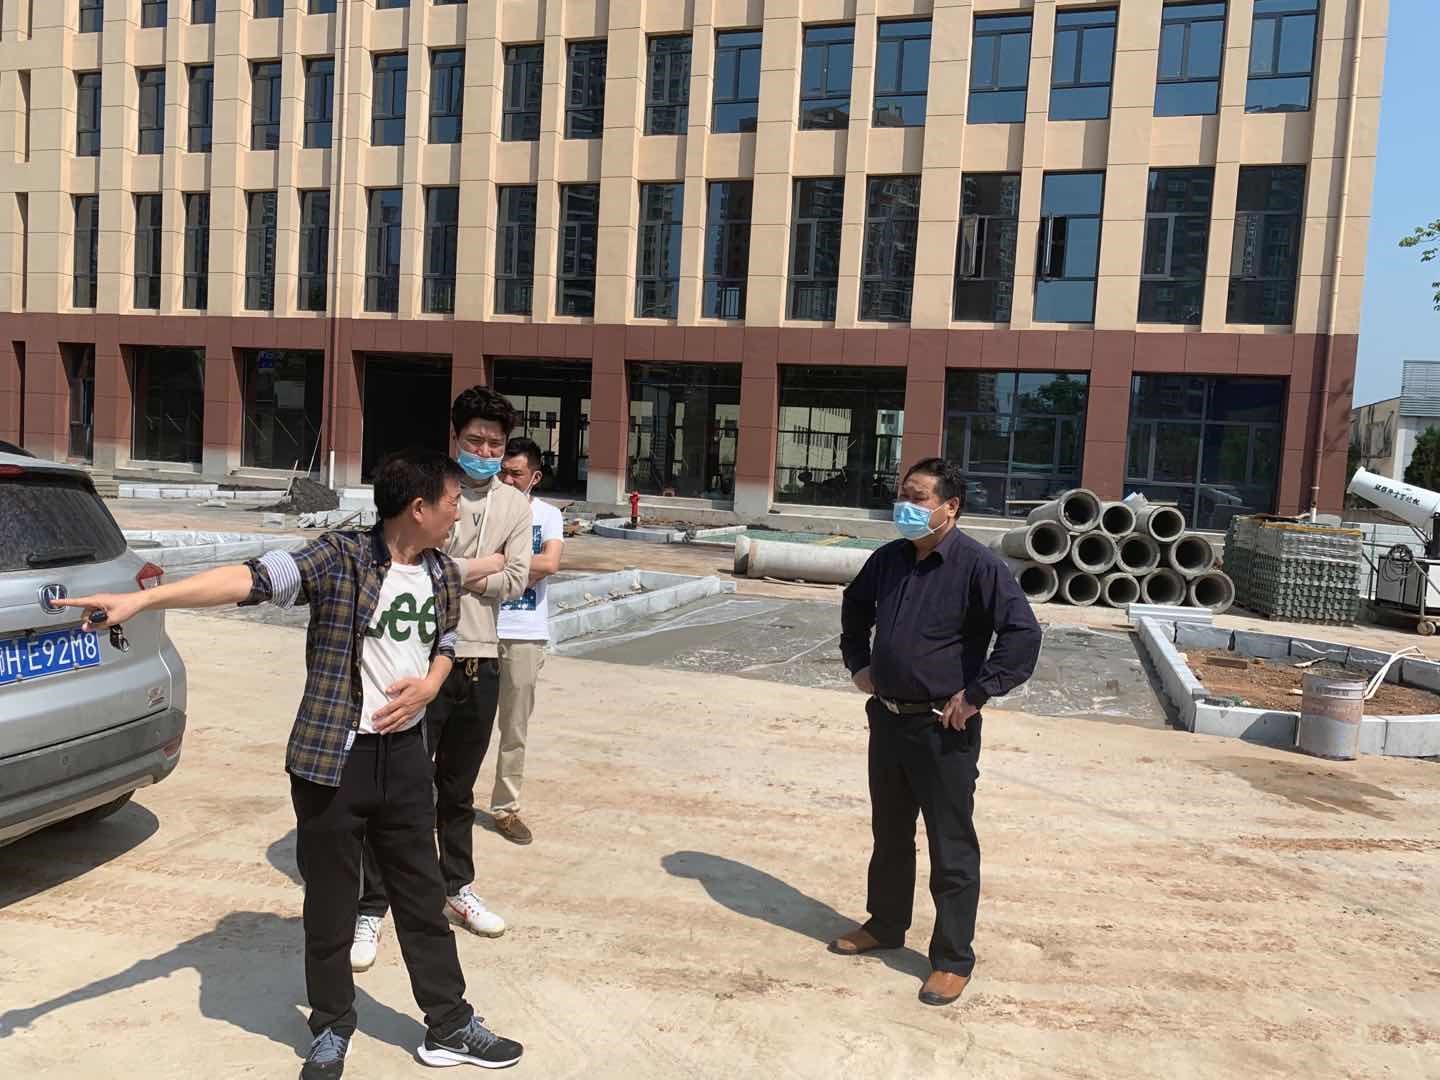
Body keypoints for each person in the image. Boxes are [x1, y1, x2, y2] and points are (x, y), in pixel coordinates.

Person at [58, 449, 524, 1077]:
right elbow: (249, 579)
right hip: (333, 761)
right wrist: (146, 601)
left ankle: (450, 1024)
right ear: (418, 508)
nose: (456, 516)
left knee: (421, 899)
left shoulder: (440, 571)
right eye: (450, 505)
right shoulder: (340, 558)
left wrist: (433, 683)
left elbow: (444, 637)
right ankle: (331, 1025)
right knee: (331, 907)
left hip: (406, 761)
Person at [833, 457, 1043, 1007]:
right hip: (888, 720)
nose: (905, 505)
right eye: (903, 494)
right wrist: (859, 664)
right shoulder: (888, 560)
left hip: (942, 729)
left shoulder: (979, 567)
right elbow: (854, 609)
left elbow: (1022, 635)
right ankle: (885, 924)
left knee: (951, 845)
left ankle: (951, 959)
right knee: (890, 833)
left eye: (918, 497)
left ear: (950, 507)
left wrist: (976, 695)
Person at [353, 388, 533, 972]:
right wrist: (481, 566)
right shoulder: (431, 491)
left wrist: (452, 569)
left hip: (482, 661)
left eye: (495, 444)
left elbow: (517, 578)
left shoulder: (515, 504)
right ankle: (372, 905)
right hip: (421, 664)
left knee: (457, 791)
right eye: (475, 440)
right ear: (455, 437)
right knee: (398, 788)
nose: (485, 451)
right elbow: (408, 561)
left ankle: (457, 887)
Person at [490, 437, 566, 845]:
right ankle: (444, 800)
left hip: (524, 633)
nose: (506, 479)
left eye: (515, 474)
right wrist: (521, 569)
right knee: (459, 726)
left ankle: (505, 808)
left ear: (534, 477)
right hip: (480, 630)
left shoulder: (548, 516)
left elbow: (550, 563)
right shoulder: (485, 509)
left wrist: (497, 566)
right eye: (503, 472)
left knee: (513, 728)